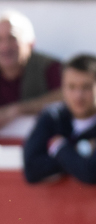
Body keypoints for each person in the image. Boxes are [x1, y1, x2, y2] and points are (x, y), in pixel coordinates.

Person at [23, 54, 96, 184]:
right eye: (71, 87)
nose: (78, 96)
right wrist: (80, 149)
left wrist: (59, 147)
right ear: (62, 88)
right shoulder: (52, 118)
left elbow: (91, 172)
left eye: (86, 87)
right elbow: (32, 169)